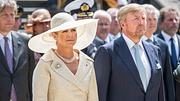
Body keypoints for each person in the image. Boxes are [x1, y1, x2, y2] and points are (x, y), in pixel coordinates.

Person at [94, 4, 165, 101]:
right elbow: (100, 93)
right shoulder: (107, 52)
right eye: (136, 18)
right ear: (123, 24)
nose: (141, 22)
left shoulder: (155, 50)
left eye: (143, 18)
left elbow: (160, 91)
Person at [28, 12, 99, 101]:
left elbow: (93, 97)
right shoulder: (45, 64)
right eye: (65, 31)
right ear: (54, 35)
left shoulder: (87, 62)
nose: (70, 35)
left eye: (73, 30)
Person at [0, 0, 34, 101]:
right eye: (4, 15)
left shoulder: (25, 41)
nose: (10, 19)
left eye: (12, 14)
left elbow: (30, 76)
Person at [142, 4, 175, 101]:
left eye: (154, 19)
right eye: (149, 19)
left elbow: (167, 78)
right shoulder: (136, 44)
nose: (152, 23)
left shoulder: (163, 45)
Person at [156, 7, 180, 101]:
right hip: (164, 94)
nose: (174, 22)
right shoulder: (153, 43)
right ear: (161, 23)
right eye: (170, 20)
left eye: (176, 19)